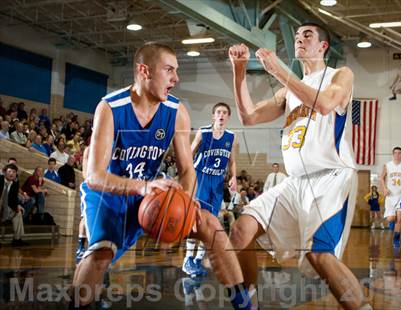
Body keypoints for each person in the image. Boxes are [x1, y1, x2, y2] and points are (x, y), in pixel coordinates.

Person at [71, 43, 250, 309]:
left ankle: (244, 305)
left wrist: (185, 200)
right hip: (109, 194)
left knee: (212, 227)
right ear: (144, 71)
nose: (176, 78)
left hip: (151, 193)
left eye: (176, 71)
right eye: (169, 70)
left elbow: (188, 170)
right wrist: (141, 187)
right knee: (101, 254)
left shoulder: (176, 111)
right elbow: (94, 176)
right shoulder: (110, 108)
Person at [228, 22, 370, 309]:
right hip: (295, 182)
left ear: (323, 46)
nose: (299, 39)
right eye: (296, 36)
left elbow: (326, 104)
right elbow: (249, 117)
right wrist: (239, 70)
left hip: (330, 178)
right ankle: (247, 304)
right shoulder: (288, 92)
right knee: (241, 229)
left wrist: (279, 70)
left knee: (320, 255)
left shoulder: (339, 75)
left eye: (307, 35)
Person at [182, 102, 238, 278]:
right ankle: (187, 259)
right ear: (213, 116)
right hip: (201, 178)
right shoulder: (203, 132)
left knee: (211, 223)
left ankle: (198, 260)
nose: (221, 115)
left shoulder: (231, 136)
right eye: (218, 112)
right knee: (196, 220)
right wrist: (187, 175)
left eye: (225, 112)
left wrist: (234, 176)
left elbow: (232, 161)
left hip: (217, 181)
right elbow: (189, 154)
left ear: (228, 117)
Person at [0, 164, 29, 247]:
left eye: (14, 172)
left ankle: (17, 239)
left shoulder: (15, 184)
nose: (11, 174)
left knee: (18, 213)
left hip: (6, 208)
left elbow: (12, 199)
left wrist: (17, 206)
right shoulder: (0, 180)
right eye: (9, 171)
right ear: (4, 172)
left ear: (16, 174)